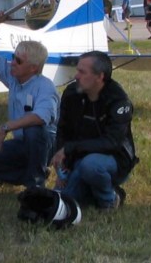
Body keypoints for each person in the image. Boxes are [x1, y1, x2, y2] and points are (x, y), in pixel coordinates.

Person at [0, 12, 59, 188]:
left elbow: (40, 117)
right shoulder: (13, 77)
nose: (12, 63)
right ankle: (32, 173)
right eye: (12, 57)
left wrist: (5, 127)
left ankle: (36, 182)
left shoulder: (45, 86)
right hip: (21, 143)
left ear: (33, 68)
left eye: (18, 60)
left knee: (33, 129)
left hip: (45, 145)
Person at [51, 51, 138, 211]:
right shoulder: (71, 94)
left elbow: (112, 143)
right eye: (77, 70)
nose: (76, 76)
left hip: (114, 159)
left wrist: (70, 149)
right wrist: (63, 165)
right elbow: (63, 130)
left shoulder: (118, 100)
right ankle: (92, 190)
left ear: (100, 76)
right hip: (79, 157)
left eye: (82, 72)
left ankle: (110, 199)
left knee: (90, 166)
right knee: (63, 199)